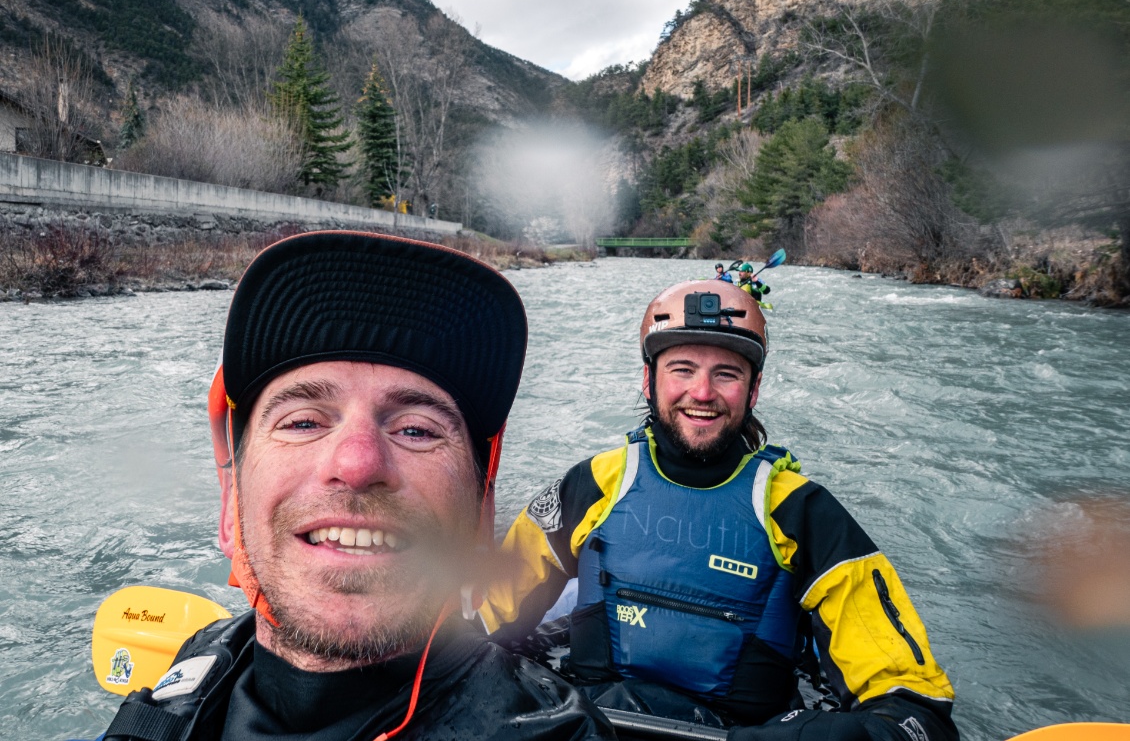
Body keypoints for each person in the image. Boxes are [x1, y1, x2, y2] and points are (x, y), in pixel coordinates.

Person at [98, 231, 613, 741]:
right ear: (231, 505)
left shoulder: (556, 735)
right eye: (302, 422)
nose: (358, 462)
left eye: (416, 430)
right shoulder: (195, 667)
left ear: (481, 519)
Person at [480, 279, 958, 741]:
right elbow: (482, 619)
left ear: (753, 391)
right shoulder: (590, 486)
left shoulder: (801, 511)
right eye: (682, 369)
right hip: (594, 726)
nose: (702, 393)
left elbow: (915, 704)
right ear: (649, 381)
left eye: (725, 374)